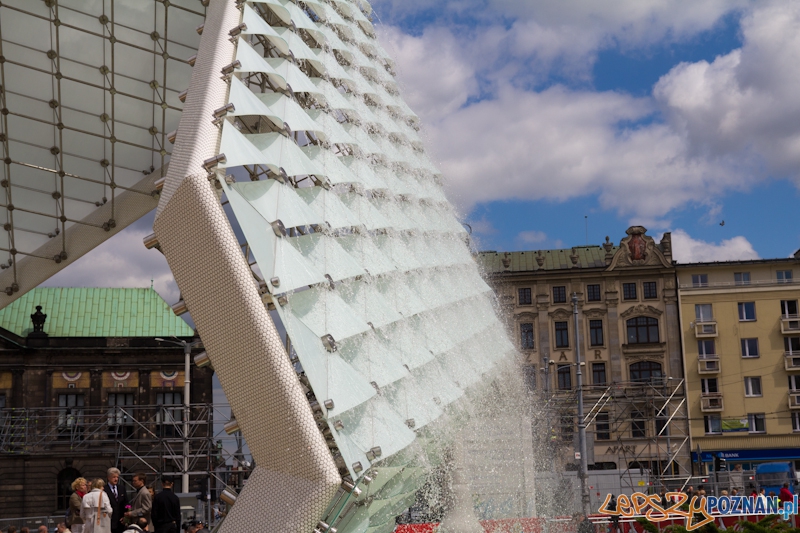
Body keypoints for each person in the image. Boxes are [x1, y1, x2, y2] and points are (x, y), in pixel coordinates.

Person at [104, 469, 127, 533]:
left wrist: (126, 516)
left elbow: (126, 503)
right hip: (109, 521)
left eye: (117, 477)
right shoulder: (104, 489)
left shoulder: (122, 488)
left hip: (121, 521)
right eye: (114, 477)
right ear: (108, 478)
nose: (116, 479)